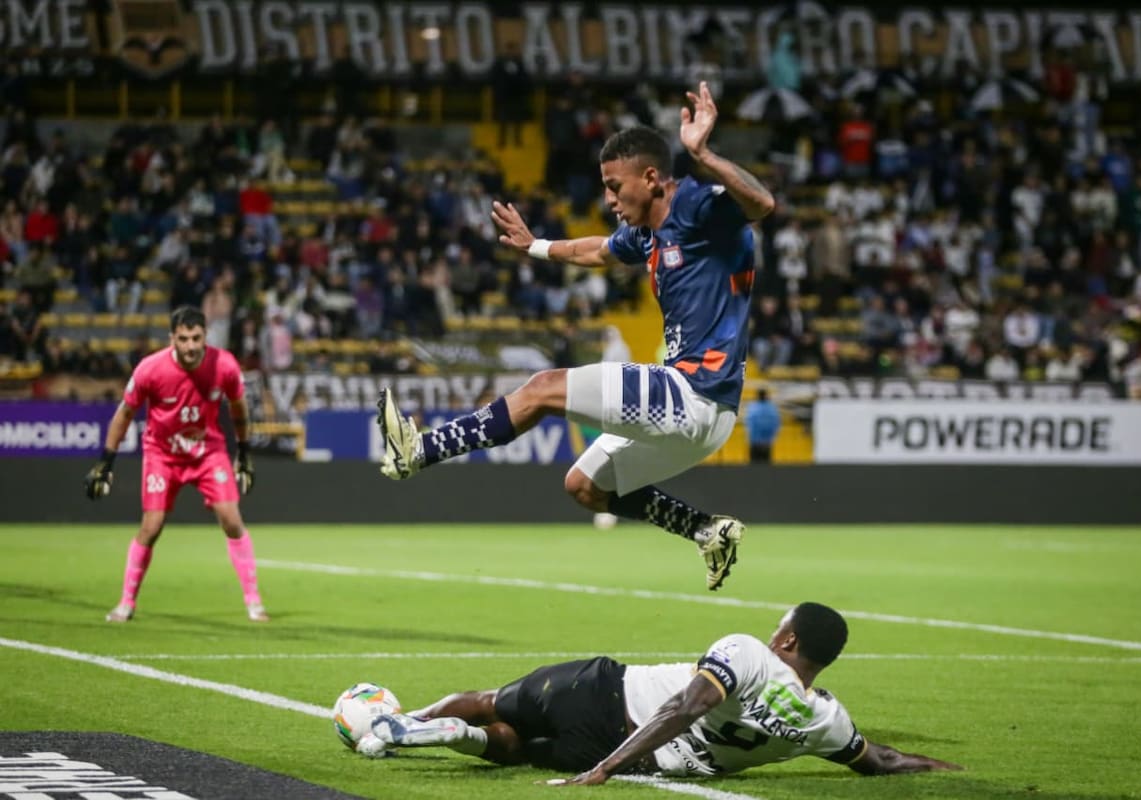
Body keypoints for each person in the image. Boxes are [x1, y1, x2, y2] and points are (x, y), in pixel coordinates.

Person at [377, 82, 774, 592]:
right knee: (583, 485)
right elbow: (598, 251)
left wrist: (702, 153)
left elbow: (761, 203)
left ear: (651, 178)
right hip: (707, 416)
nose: (608, 198)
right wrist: (535, 246)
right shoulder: (649, 232)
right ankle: (706, 530)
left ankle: (420, 451)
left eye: (615, 185)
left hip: (695, 392)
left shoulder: (697, 205)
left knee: (543, 389)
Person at [352, 602, 962, 783]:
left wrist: (604, 772)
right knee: (508, 749)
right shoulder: (827, 721)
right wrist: (941, 766)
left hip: (603, 694)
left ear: (788, 637)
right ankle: (454, 738)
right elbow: (878, 760)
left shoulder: (748, 652)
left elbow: (681, 708)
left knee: (493, 701)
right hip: (637, 754)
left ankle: (409, 721)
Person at [84, 306, 267, 623]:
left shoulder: (224, 365)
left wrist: (245, 452)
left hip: (208, 452)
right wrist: (106, 462)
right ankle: (126, 603)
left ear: (205, 336)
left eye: (196, 338)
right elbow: (124, 414)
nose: (191, 346)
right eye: (183, 339)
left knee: (231, 518)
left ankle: (254, 602)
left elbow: (238, 408)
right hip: (162, 454)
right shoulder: (150, 369)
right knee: (151, 527)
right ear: (172, 339)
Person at [744, 388, 781, 463]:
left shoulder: (753, 407)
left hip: (755, 442)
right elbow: (776, 424)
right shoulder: (771, 408)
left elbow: (749, 424)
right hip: (767, 442)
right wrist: (772, 437)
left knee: (754, 465)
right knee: (766, 465)